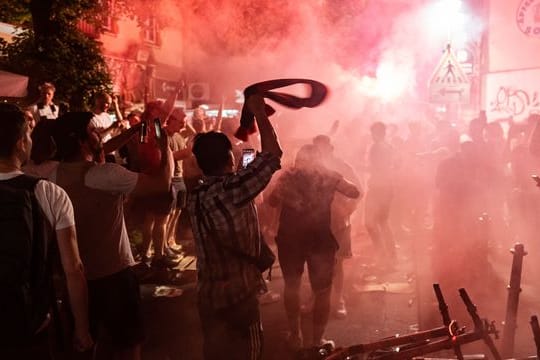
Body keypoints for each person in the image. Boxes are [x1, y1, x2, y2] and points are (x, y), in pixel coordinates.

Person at [53, 111, 173, 360]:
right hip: (114, 274)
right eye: (92, 131)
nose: (99, 134)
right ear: (81, 141)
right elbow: (161, 183)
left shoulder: (51, 174)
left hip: (76, 279)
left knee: (85, 344)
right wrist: (166, 148)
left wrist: (131, 132)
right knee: (128, 344)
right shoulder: (105, 174)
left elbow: (98, 150)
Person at [187, 94, 282, 360]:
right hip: (239, 296)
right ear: (230, 158)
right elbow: (273, 155)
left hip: (208, 296)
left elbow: (239, 177)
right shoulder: (235, 190)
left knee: (215, 353)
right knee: (247, 352)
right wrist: (259, 113)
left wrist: (244, 156)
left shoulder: (196, 195)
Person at [0, 106, 93, 358]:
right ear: (21, 143)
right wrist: (82, 329)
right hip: (31, 324)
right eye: (28, 135)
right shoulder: (48, 192)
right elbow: (73, 268)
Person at [268, 143, 360, 351]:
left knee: (292, 286)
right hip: (319, 239)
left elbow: (271, 202)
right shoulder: (329, 176)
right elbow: (354, 192)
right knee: (322, 291)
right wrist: (332, 178)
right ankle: (318, 340)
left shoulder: (287, 178)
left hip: (290, 240)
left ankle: (295, 335)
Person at [313, 134, 362, 319]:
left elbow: (358, 190)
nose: (320, 152)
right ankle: (315, 297)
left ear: (331, 148)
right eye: (317, 149)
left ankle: (338, 299)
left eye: (324, 148)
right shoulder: (310, 169)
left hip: (338, 222)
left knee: (338, 262)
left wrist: (349, 209)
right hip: (316, 222)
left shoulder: (342, 167)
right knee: (316, 262)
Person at [364, 121, 397, 271]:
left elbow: (378, 167)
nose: (372, 135)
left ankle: (384, 256)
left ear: (379, 133)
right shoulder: (388, 146)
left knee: (371, 223)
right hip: (385, 187)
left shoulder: (378, 147)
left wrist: (362, 167)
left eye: (373, 132)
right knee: (382, 223)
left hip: (379, 188)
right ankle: (389, 256)